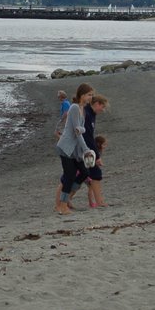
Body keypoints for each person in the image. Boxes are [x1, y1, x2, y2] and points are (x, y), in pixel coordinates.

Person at [54, 83, 95, 215]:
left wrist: (82, 130)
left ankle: (67, 198)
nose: (91, 97)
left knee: (84, 173)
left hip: (74, 151)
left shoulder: (83, 108)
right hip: (66, 148)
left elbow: (80, 129)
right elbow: (77, 132)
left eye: (91, 95)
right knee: (69, 175)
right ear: (82, 95)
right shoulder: (74, 108)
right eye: (89, 95)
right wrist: (86, 149)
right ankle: (63, 206)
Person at [83, 95, 110, 208]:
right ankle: (99, 202)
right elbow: (88, 137)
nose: (102, 110)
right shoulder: (87, 113)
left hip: (86, 148)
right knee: (73, 177)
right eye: (102, 107)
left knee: (94, 174)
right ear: (97, 103)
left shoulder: (92, 114)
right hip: (83, 149)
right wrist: (97, 156)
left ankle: (99, 201)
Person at [88, 135, 108, 208]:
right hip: (88, 173)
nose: (105, 146)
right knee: (90, 188)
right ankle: (93, 202)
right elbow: (91, 162)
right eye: (104, 144)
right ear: (99, 144)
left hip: (90, 171)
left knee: (90, 188)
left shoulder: (97, 152)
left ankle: (94, 202)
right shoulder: (95, 152)